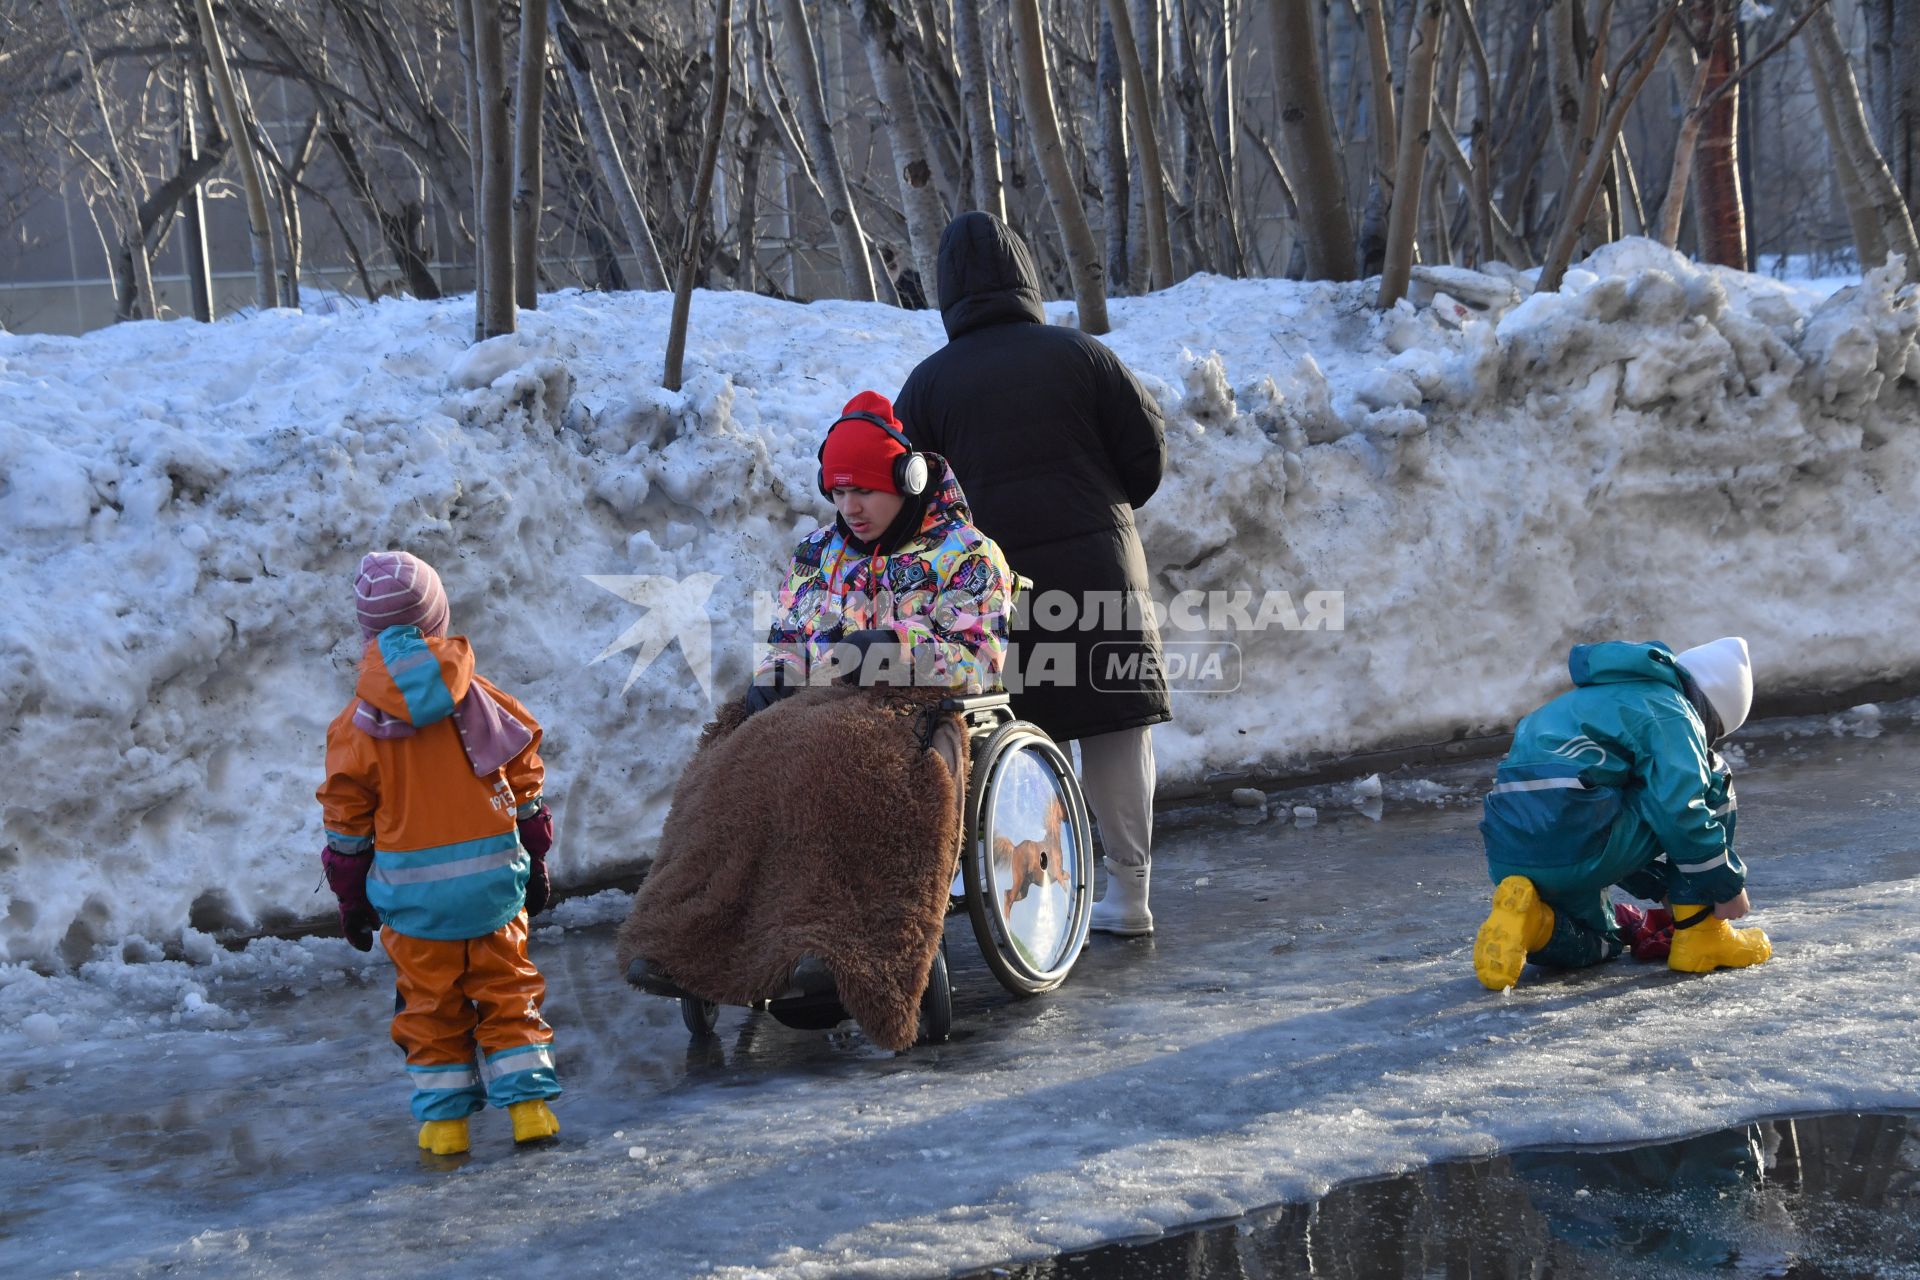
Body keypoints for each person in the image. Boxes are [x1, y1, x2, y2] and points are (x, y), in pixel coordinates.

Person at [895, 211, 1169, 936]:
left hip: (996, 594)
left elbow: (909, 506)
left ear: (946, 291)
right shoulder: (1083, 355)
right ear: (1026, 278)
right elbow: (1145, 459)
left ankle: (1037, 906)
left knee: (1016, 741)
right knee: (1116, 727)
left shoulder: (926, 387)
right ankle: (1130, 896)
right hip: (1103, 572)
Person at [317, 551, 562, 1156]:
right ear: (437, 619)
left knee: (429, 1009)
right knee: (509, 994)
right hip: (493, 894)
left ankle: (445, 1127)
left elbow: (346, 829)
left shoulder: (356, 728)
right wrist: (535, 855)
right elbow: (525, 789)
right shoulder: (485, 699)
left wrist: (351, 898)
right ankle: (530, 1113)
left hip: (415, 906)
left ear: (368, 632)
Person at [1473, 637, 1772, 990]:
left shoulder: (1578, 703)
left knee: (1600, 941)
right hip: (1579, 841)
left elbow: (1590, 808)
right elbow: (1678, 809)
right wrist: (1721, 885)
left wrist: (1661, 886)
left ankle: (1537, 924)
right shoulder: (1672, 710)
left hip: (1511, 853)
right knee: (1711, 776)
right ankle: (1703, 934)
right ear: (1709, 710)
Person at [748, 390, 1014, 710]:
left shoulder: (969, 554)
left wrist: (895, 648)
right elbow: (786, 642)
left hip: (926, 731)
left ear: (906, 481)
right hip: (819, 727)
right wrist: (774, 674)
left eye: (864, 490)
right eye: (839, 491)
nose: (849, 508)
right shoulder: (814, 552)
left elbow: (979, 665)